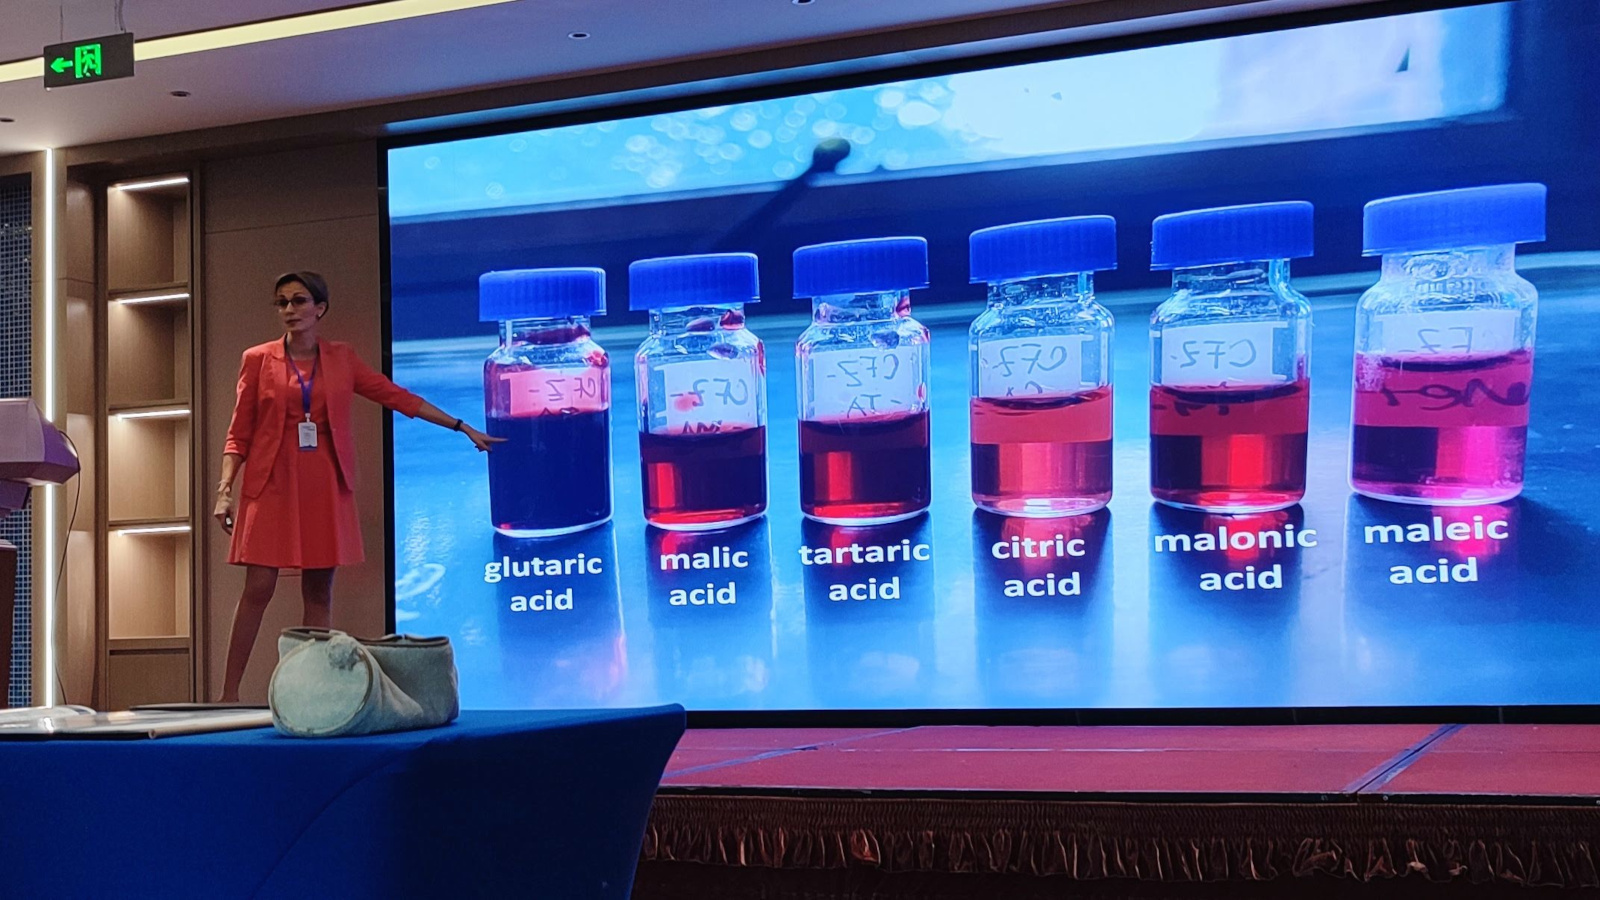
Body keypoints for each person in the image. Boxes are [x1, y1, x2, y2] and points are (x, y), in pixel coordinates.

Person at [213, 272, 499, 702]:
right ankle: (228, 695)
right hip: (270, 483)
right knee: (258, 587)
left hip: (324, 483)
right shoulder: (257, 359)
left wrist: (461, 427)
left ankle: (311, 696)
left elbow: (396, 397)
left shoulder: (341, 358)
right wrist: (224, 489)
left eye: (299, 301)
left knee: (318, 591)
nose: (289, 310)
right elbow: (239, 433)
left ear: (320, 308)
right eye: (282, 302)